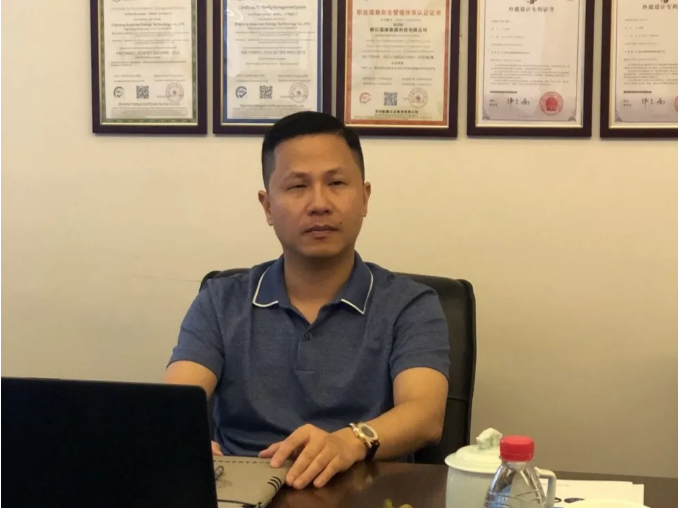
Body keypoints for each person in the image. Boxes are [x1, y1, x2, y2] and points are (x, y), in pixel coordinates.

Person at [164, 111, 450, 490]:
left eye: (336, 183)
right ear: (268, 206)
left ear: (364, 198)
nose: (319, 203)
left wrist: (348, 442)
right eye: (297, 186)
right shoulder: (220, 301)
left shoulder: (410, 304)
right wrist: (181, 437)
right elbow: (174, 403)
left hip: (367, 491)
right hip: (243, 490)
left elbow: (425, 415)